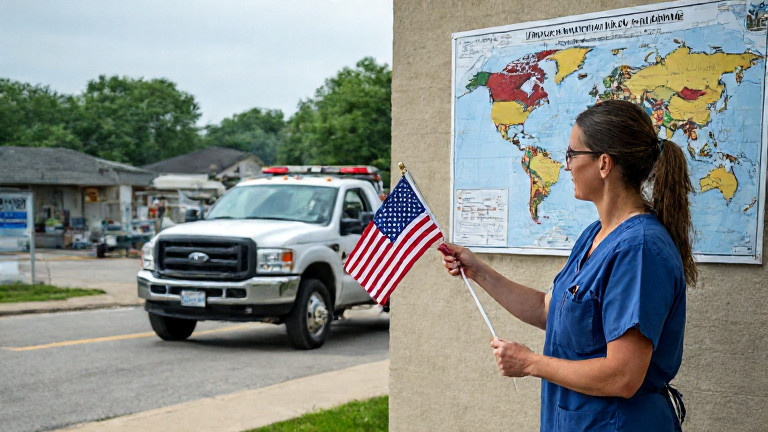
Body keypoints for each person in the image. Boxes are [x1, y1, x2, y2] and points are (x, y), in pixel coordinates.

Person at [440, 100, 695, 431]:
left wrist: (531, 363)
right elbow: (550, 311)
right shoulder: (595, 235)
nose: (566, 166)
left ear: (604, 164)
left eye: (572, 155)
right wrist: (478, 271)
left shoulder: (639, 250)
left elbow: (623, 376)